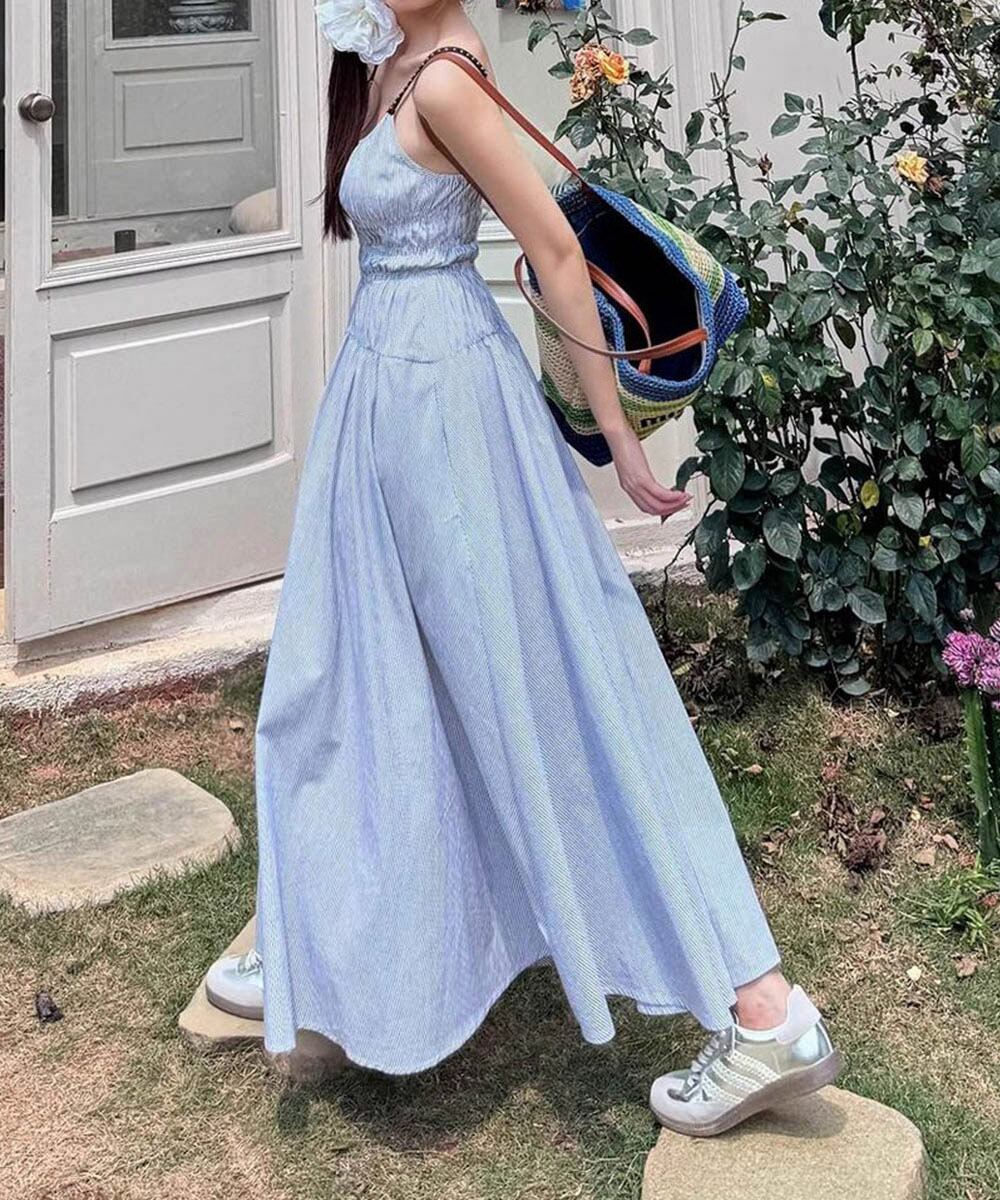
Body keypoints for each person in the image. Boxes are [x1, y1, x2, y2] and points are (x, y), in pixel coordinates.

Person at [204, 0, 841, 1138]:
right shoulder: (393, 56)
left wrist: (620, 437)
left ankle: (762, 1006)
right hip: (391, 399)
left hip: (444, 412)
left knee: (549, 691)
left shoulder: (446, 77)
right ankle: (316, 936)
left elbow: (554, 249)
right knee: (356, 678)